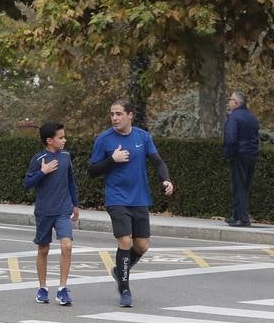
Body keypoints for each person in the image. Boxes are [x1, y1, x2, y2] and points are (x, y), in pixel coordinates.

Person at [88, 99, 174, 308]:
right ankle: (124, 289)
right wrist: (112, 160)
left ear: (130, 115)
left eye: (118, 114)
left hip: (140, 198)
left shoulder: (142, 137)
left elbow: (158, 161)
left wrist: (166, 179)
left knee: (142, 246)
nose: (114, 118)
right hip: (117, 198)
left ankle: (120, 270)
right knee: (125, 241)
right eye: (112, 114)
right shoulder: (104, 139)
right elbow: (92, 170)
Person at [23, 121, 80, 306]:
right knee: (44, 249)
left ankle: (62, 289)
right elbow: (27, 184)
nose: (64, 140)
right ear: (49, 140)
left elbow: (70, 180)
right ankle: (42, 288)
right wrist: (43, 172)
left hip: (63, 210)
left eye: (64, 137)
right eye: (61, 137)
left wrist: (75, 204)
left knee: (67, 246)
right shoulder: (38, 159)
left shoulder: (66, 156)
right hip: (44, 211)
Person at [223, 91, 259, 228]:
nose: (229, 102)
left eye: (230, 99)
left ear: (236, 103)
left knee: (238, 186)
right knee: (244, 186)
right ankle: (236, 215)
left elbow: (231, 138)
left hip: (239, 155)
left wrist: (228, 154)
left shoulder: (234, 117)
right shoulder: (252, 117)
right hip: (251, 155)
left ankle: (243, 218)